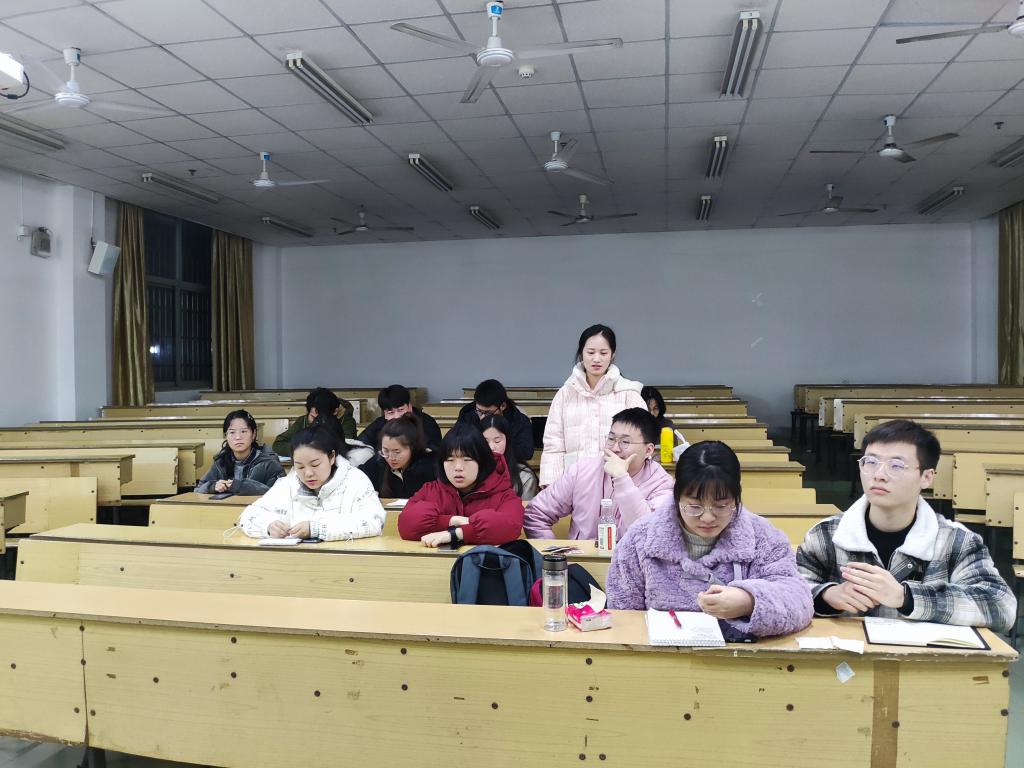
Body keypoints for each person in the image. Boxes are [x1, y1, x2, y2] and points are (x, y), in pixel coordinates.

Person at [797, 420, 1016, 632]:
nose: (879, 475)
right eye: (870, 462)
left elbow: (1000, 606)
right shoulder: (825, 534)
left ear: (926, 477)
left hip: (927, 657)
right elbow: (789, 589)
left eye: (896, 466)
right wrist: (826, 595)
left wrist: (907, 598)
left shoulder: (957, 541)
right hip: (845, 656)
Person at [606, 441, 813, 638]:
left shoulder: (762, 537)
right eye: (694, 506)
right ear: (677, 496)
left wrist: (749, 600)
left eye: (721, 506)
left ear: (736, 497)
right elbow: (623, 615)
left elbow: (799, 598)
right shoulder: (640, 539)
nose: (707, 517)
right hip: (663, 657)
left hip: (740, 658)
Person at [524, 408, 673, 539]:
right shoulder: (582, 471)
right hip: (582, 560)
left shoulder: (662, 485)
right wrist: (553, 555)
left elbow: (650, 534)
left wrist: (622, 479)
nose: (614, 448)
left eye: (625, 442)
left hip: (633, 562)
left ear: (648, 450)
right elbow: (536, 513)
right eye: (611, 439)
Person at [239, 423, 385, 541]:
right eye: (300, 466)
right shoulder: (288, 484)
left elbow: (374, 522)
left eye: (315, 464)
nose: (308, 473)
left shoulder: (355, 481)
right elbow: (248, 515)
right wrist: (268, 526)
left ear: (332, 457)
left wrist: (318, 529)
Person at [539, 324, 645, 487]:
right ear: (581, 353)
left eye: (603, 353)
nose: (596, 359)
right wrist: (551, 485)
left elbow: (641, 443)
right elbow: (554, 444)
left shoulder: (628, 394)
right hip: (574, 484)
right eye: (590, 352)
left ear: (613, 355)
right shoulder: (565, 394)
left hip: (617, 483)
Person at [398, 424, 524, 548]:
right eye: (450, 460)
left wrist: (456, 534)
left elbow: (510, 526)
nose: (458, 468)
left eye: (467, 459)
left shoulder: (504, 494)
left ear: (482, 461)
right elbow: (406, 524)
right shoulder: (430, 490)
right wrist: (453, 520)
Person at [195, 410, 285, 496]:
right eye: (232, 432)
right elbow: (198, 489)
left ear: (254, 434)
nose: (238, 437)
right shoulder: (221, 462)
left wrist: (242, 486)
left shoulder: (269, 462)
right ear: (226, 436)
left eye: (243, 431)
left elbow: (281, 493)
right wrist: (212, 487)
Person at [358, 414, 437, 498]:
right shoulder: (378, 462)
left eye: (397, 452)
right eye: (386, 450)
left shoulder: (430, 467)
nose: (391, 458)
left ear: (412, 447)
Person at [455, 379, 535, 461]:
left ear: (503, 406)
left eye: (487, 412)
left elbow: (526, 452)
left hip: (506, 463)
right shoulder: (468, 413)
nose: (482, 417)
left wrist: (501, 444)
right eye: (479, 411)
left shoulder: (519, 420)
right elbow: (455, 441)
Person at [273, 387, 357, 456]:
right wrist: (302, 449)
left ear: (335, 412)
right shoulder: (303, 420)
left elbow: (341, 448)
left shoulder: (347, 422)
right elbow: (278, 445)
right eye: (313, 417)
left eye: (320, 418)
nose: (316, 422)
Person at [358, 384, 442, 452]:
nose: (397, 416)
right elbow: (361, 444)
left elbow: (434, 451)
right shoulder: (379, 425)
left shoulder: (426, 423)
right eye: (391, 413)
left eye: (401, 410)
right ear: (385, 414)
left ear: (409, 406)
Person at [479, 413, 538, 501]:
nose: (491, 447)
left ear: (508, 441)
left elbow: (526, 508)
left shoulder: (524, 476)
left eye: (497, 441)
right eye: (485, 442)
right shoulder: (472, 471)